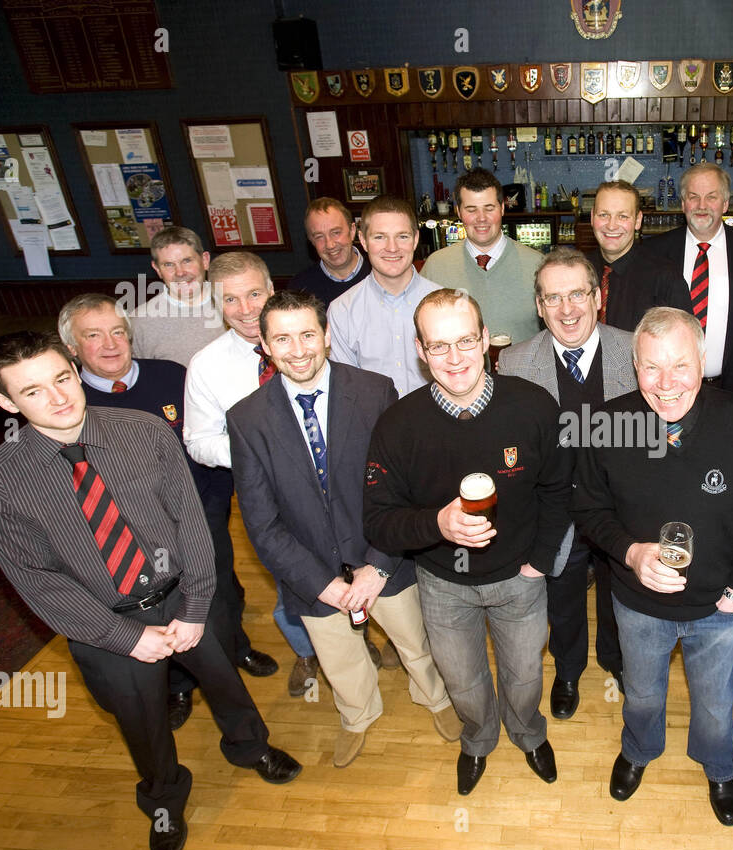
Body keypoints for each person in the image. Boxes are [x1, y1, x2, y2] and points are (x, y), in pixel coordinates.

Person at [0, 332, 302, 850]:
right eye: (33, 392)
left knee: (225, 682)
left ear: (75, 370)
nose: (58, 398)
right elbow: (38, 580)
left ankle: (250, 746)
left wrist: (195, 609)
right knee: (142, 723)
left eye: (61, 378)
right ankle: (165, 802)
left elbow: (191, 522)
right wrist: (126, 637)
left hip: (184, 598)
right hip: (104, 625)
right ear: (6, 403)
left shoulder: (143, 431)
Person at [228, 290, 461, 767]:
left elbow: (406, 489)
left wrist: (377, 566)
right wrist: (323, 584)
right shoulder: (246, 419)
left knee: (417, 644)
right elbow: (261, 522)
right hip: (310, 572)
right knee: (339, 661)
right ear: (266, 346)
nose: (298, 350)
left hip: (383, 558)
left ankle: (435, 698)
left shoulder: (376, 391)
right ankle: (357, 714)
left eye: (308, 334)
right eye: (283, 339)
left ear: (328, 336)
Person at [363, 288, 572, 796]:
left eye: (464, 341)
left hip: (520, 580)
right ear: (420, 349)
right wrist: (438, 524)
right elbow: (378, 523)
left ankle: (527, 733)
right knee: (463, 682)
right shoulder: (397, 425)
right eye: (439, 346)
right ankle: (477, 740)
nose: (454, 358)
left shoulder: (534, 406)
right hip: (441, 585)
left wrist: (539, 563)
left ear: (485, 341)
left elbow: (560, 490)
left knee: (524, 678)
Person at [571, 307, 733, 826]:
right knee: (641, 692)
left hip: (718, 604)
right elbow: (588, 510)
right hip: (637, 603)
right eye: (650, 368)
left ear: (703, 361)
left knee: (713, 700)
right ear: (633, 367)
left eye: (680, 366)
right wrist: (632, 553)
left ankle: (719, 765)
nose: (665, 385)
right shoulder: (607, 424)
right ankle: (639, 750)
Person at [60, 293, 265, 730]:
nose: (111, 343)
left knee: (219, 593)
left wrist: (208, 509)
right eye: (93, 336)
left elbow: (203, 440)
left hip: (200, 514)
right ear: (72, 350)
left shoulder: (171, 376)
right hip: (126, 537)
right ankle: (176, 686)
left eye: (118, 331)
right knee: (154, 611)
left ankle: (234, 651)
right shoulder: (69, 404)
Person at [498, 247, 637, 718]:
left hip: (621, 505)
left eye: (577, 293)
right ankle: (569, 669)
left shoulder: (636, 349)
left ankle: (617, 661)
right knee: (562, 593)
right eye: (553, 298)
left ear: (597, 296)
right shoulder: (513, 363)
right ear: (538, 306)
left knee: (623, 588)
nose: (567, 309)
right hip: (555, 507)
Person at [184, 252, 329, 693]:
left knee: (347, 565)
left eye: (254, 294)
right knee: (292, 582)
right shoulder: (206, 365)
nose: (246, 309)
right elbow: (197, 440)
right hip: (271, 496)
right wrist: (258, 453)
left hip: (333, 480)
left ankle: (354, 636)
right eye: (231, 299)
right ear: (216, 304)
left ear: (272, 290)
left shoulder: (309, 341)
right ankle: (309, 651)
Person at [641, 162, 733, 395]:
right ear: (683, 204)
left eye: (711, 197)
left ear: (725, 203)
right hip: (669, 386)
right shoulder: (655, 251)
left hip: (730, 386)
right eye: (693, 197)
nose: (702, 206)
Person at [327, 195, 441, 397]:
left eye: (402, 236)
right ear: (363, 240)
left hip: (435, 423)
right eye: (379, 237)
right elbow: (346, 389)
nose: (392, 248)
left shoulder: (444, 304)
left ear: (415, 239)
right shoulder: (342, 310)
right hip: (373, 424)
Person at [419, 168, 543, 347]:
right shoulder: (435, 266)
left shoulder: (537, 265)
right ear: (459, 212)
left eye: (489, 208)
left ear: (502, 208)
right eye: (471, 209)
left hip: (524, 374)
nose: (481, 218)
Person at [584, 179, 691, 332]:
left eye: (622, 216)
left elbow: (683, 340)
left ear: (638, 220)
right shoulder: (578, 271)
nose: (611, 225)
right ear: (592, 217)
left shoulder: (666, 277)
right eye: (603, 215)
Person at [129, 226, 222, 367]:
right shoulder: (139, 322)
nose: (180, 272)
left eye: (187, 261)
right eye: (169, 264)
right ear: (157, 269)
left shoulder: (236, 303)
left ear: (205, 260)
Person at [288, 197, 372, 306]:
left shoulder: (380, 274)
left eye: (336, 232)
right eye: (319, 237)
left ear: (352, 231)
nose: (330, 244)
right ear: (311, 240)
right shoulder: (300, 289)